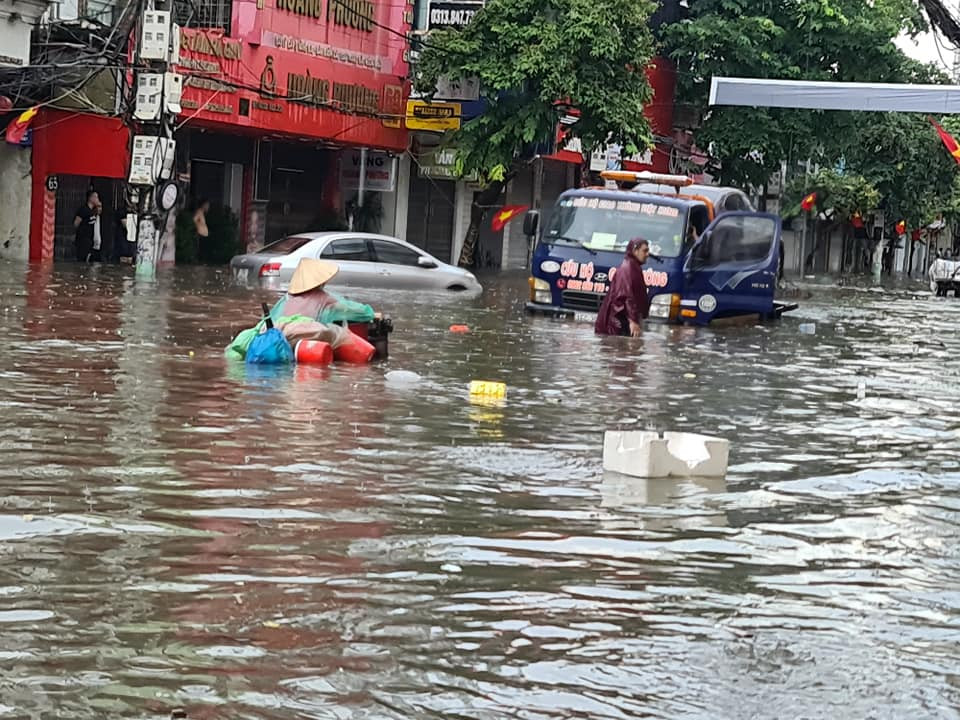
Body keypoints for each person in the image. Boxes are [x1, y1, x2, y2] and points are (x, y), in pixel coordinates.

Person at [272, 258, 375, 325]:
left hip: (282, 336)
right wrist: (371, 313)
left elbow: (270, 319)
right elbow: (353, 310)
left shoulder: (286, 299)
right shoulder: (323, 297)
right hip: (307, 337)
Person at [595, 238, 650, 337]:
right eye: (645, 251)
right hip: (616, 325)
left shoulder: (634, 267)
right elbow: (625, 296)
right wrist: (633, 321)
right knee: (619, 350)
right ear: (635, 251)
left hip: (623, 322)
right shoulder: (627, 269)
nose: (647, 254)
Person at [73, 190, 101, 262]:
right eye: (96, 197)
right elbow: (76, 223)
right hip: (82, 240)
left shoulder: (93, 211)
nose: (97, 199)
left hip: (90, 240)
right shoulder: (83, 210)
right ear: (91, 198)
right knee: (81, 260)